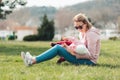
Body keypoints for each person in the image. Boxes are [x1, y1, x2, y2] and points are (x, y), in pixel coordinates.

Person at [21, 13, 101, 66]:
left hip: (89, 62)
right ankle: (32, 59)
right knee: (60, 47)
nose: (78, 29)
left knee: (58, 48)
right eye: (76, 27)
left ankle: (32, 60)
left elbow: (91, 56)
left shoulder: (91, 34)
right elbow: (80, 46)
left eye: (80, 27)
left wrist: (71, 52)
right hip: (80, 57)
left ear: (86, 24)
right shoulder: (83, 32)